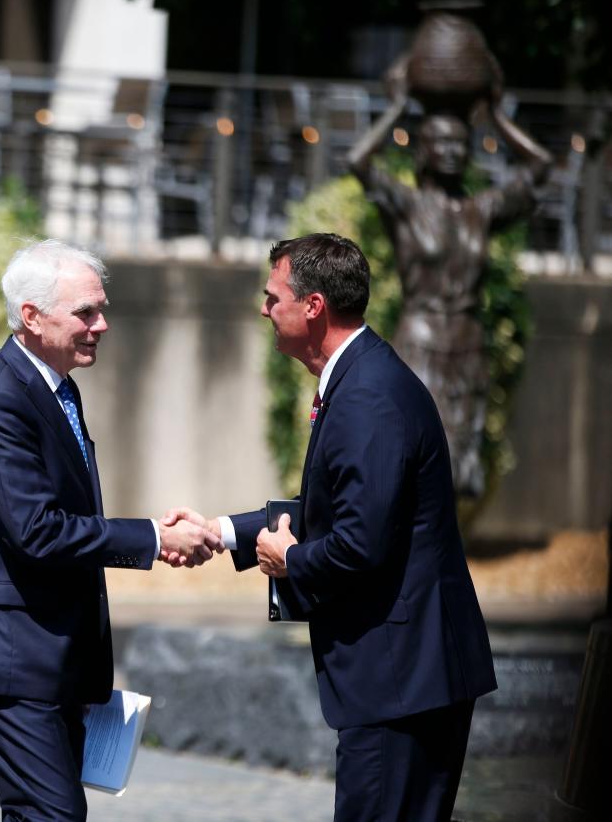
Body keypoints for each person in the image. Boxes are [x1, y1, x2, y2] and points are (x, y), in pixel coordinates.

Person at [167, 233, 497, 821]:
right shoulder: (360, 378)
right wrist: (223, 532)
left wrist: (289, 561)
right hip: (408, 677)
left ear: (313, 307)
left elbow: (358, 543)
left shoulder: (367, 396)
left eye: (273, 297)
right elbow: (337, 505)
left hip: (402, 682)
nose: (264, 309)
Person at [0, 239, 221, 821]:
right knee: (51, 816)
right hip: (4, 658)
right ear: (32, 317)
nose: (102, 324)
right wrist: (155, 540)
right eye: (85, 312)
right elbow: (38, 531)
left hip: (49, 656)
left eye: (101, 308)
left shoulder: (55, 387)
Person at [347, 57, 551, 497]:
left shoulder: (481, 211)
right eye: (443, 142)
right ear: (424, 149)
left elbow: (540, 165)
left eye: (463, 143)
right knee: (408, 457)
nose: (455, 151)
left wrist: (496, 113)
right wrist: (398, 107)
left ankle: (440, 561)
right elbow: (358, 160)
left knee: (462, 474)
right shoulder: (406, 205)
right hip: (418, 339)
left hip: (468, 344)